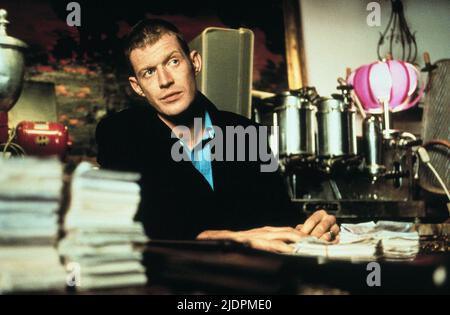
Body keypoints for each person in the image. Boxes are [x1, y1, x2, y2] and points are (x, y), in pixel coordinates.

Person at [95, 19, 339, 253]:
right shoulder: (119, 133)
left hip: (254, 283)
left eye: (173, 62)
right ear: (137, 86)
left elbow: (278, 218)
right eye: (148, 72)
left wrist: (313, 225)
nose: (165, 81)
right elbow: (131, 224)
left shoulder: (247, 133)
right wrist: (228, 239)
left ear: (195, 63)